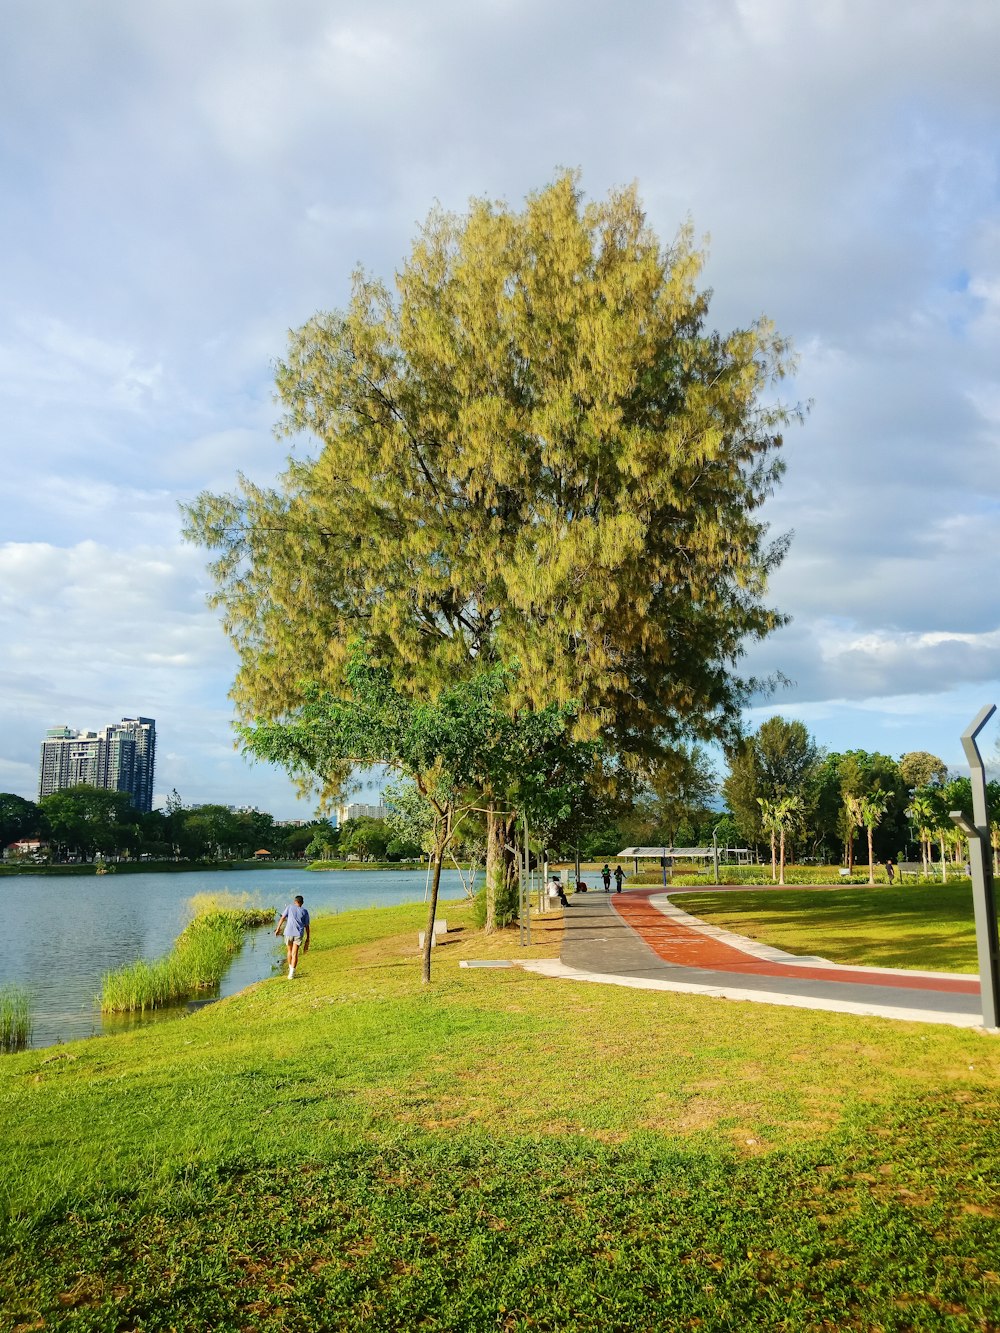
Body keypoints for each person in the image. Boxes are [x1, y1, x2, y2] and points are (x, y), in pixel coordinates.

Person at [275, 894, 310, 979]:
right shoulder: (305, 911)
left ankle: (290, 970)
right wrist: (308, 938)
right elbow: (307, 926)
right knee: (295, 953)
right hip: (298, 934)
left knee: (289, 952)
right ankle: (291, 973)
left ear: (295, 902)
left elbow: (282, 918)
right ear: (302, 903)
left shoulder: (290, 907)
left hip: (288, 933)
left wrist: (277, 929)